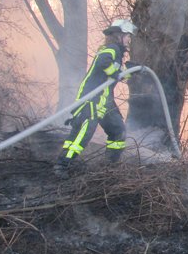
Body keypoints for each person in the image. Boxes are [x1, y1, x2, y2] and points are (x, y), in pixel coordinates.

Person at [54, 19, 137, 177]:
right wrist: (116, 72)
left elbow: (117, 76)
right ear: (119, 35)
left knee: (118, 130)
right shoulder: (111, 49)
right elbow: (103, 62)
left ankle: (110, 167)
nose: (129, 40)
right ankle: (62, 165)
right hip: (91, 99)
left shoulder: (117, 54)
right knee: (83, 134)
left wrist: (130, 71)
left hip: (105, 102)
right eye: (127, 36)